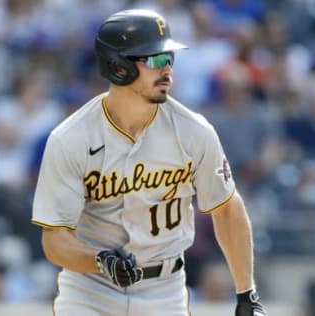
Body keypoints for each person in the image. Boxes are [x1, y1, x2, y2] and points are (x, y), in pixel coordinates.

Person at [32, 9, 266, 316]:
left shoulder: (194, 130)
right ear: (119, 68)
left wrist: (246, 293)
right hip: (90, 290)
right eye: (154, 59)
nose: (167, 69)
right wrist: (100, 260)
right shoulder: (70, 138)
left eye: (169, 58)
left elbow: (226, 207)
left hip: (164, 290)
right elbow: (55, 240)